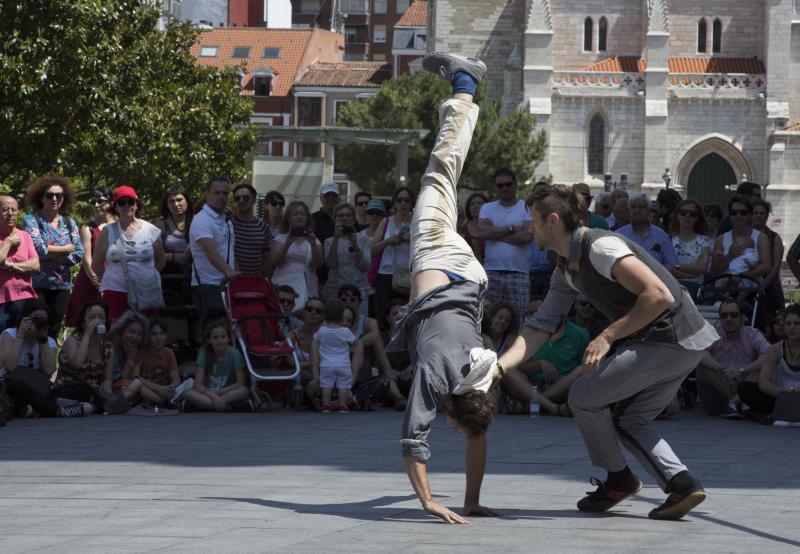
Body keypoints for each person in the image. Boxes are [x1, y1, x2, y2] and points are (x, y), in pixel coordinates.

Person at [495, 182, 718, 520]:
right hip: (684, 342)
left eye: (534, 220)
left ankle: (619, 479)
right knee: (630, 418)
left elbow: (658, 295)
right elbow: (539, 328)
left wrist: (607, 336)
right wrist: (497, 369)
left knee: (584, 395)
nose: (530, 227)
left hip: (669, 338)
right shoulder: (565, 270)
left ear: (553, 220)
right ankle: (683, 484)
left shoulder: (600, 248)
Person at [387, 52, 502, 524]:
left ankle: (462, 88)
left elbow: (477, 431)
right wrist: (428, 501)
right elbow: (413, 440)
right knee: (440, 169)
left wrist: (471, 501)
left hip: (470, 278)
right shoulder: (437, 375)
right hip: (436, 252)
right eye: (454, 425)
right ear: (452, 410)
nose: (453, 430)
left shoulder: (481, 376)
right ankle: (465, 85)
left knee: (445, 178)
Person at [1, 299, 93, 418]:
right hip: (12, 391)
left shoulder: (48, 341)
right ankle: (59, 411)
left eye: (43, 320)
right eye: (36, 319)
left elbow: (49, 371)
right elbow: (9, 366)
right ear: (24, 319)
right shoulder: (10, 335)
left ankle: (32, 409)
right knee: (15, 386)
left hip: (39, 390)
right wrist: (21, 335)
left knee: (83, 388)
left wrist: (43, 339)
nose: (39, 323)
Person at [21, 175, 84, 337]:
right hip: (37, 285)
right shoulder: (32, 220)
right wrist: (66, 248)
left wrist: (55, 254)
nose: (54, 199)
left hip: (62, 286)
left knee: (54, 331)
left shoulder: (70, 223)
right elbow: (37, 249)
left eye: (59, 195)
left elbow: (78, 252)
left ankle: (49, 361)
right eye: (49, 195)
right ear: (41, 198)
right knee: (35, 328)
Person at [92, 186, 166, 322]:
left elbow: (160, 260)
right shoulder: (107, 231)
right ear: (116, 207)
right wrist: (112, 279)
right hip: (115, 292)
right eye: (121, 202)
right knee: (116, 334)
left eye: (130, 202)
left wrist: (146, 276)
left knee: (147, 332)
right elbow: (96, 264)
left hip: (146, 292)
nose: (127, 206)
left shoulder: (151, 230)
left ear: (137, 204)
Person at [695, 300, 770, 418]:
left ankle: (734, 403)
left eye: (733, 315)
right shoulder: (713, 332)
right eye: (724, 316)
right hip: (720, 389)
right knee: (702, 366)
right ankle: (737, 401)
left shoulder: (753, 334)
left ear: (742, 318)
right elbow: (700, 353)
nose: (728, 319)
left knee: (764, 366)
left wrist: (741, 371)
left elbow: (768, 355)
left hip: (744, 384)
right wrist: (722, 369)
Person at [477, 168, 534, 323]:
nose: (504, 188)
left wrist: (494, 234)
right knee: (487, 320)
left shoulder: (526, 207)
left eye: (508, 184)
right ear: (495, 187)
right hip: (491, 272)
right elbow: (482, 232)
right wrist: (512, 229)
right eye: (500, 185)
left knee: (519, 320)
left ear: (515, 184)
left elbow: (527, 235)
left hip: (519, 273)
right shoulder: (487, 208)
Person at [189, 177, 237, 334]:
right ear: (207, 194)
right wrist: (228, 271)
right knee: (213, 334)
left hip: (226, 285)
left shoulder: (226, 220)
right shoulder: (201, 219)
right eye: (217, 193)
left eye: (225, 193)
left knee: (226, 334)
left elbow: (229, 251)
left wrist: (235, 274)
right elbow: (210, 251)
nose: (222, 197)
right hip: (208, 285)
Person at [738, 303, 800, 418]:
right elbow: (764, 384)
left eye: (797, 323)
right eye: (788, 323)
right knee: (745, 389)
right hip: (780, 396)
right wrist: (787, 395)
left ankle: (778, 412)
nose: (792, 327)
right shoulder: (775, 350)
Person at [64, 188, 115, 328]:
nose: (96, 205)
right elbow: (87, 262)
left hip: (114, 281)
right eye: (93, 202)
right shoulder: (87, 228)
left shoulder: (119, 226)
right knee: (85, 326)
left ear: (111, 202)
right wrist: (101, 287)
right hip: (90, 281)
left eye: (101, 201)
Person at [183, 320, 250, 411]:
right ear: (209, 340)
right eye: (215, 338)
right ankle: (227, 407)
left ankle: (208, 406)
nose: (220, 341)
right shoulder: (204, 354)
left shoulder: (235, 354)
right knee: (188, 393)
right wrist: (212, 395)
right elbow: (198, 384)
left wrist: (219, 392)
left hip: (227, 392)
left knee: (244, 391)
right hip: (208, 393)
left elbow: (241, 382)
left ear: (229, 338)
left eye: (223, 337)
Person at [57, 300, 113, 408]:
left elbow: (107, 378)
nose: (97, 321)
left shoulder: (107, 347)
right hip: (69, 390)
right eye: (92, 317)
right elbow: (77, 363)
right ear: (83, 322)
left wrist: (108, 382)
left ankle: (90, 406)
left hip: (92, 392)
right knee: (85, 390)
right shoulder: (73, 341)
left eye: (101, 317)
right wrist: (87, 334)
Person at [371, 187, 414, 322]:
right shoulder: (386, 222)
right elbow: (372, 250)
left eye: (406, 200)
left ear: (412, 203)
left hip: (410, 275)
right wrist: (388, 241)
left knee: (408, 315)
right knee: (384, 316)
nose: (402, 203)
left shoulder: (418, 222)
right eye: (399, 200)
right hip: (386, 275)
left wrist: (412, 239)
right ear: (394, 202)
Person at [271, 201, 322, 309]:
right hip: (284, 286)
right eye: (295, 214)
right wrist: (287, 244)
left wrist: (313, 244)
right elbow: (277, 262)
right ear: (288, 218)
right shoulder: (279, 239)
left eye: (302, 214)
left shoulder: (314, 240)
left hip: (308, 286)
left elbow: (317, 264)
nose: (299, 217)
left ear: (307, 218)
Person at [711, 195, 770, 285]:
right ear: (730, 215)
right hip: (724, 290)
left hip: (751, 291)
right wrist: (730, 255)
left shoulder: (761, 238)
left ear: (750, 214)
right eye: (734, 212)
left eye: (743, 212)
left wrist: (742, 276)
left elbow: (766, 266)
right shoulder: (721, 239)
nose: (738, 216)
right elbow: (715, 270)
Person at [0, 195, 39, 331]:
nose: (10, 214)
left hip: (25, 299)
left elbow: (35, 265)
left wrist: (11, 266)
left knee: (26, 342)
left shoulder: (25, 236)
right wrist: (8, 241)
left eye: (13, 210)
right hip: (2, 301)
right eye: (4, 210)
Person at [321, 204, 371, 308]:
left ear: (353, 218)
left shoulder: (363, 239)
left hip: (359, 290)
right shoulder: (329, 241)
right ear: (335, 219)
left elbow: (365, 265)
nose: (344, 218)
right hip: (335, 290)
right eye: (340, 215)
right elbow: (331, 263)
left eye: (348, 215)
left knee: (359, 322)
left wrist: (355, 244)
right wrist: (336, 238)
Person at [311, 299, 357, 413]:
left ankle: (326, 405)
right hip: (343, 364)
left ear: (324, 315)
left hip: (326, 364)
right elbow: (355, 342)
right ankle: (342, 405)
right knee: (343, 385)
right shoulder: (345, 331)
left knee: (326, 385)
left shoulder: (322, 331)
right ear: (342, 315)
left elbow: (315, 338)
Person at [616, 192, 678, 270]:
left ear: (649, 210)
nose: (637, 210)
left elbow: (671, 264)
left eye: (641, 207)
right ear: (629, 210)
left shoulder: (661, 236)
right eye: (633, 207)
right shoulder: (619, 235)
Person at [154, 185, 193, 306]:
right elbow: (153, 254)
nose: (176, 204)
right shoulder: (161, 224)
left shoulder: (197, 221)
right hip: (170, 278)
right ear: (167, 204)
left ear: (187, 201)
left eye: (179, 200)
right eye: (171, 201)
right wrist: (175, 257)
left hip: (194, 277)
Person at [669, 198, 713, 299]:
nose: (687, 216)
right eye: (683, 212)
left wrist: (676, 265)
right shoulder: (668, 240)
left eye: (692, 214)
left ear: (697, 218)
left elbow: (702, 267)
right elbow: (669, 269)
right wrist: (691, 274)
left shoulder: (703, 240)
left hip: (694, 291)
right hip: (672, 288)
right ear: (677, 215)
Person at [102, 310, 147, 407]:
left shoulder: (136, 349)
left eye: (140, 334)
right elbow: (120, 379)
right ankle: (113, 404)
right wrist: (130, 360)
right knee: (137, 384)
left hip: (122, 388)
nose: (135, 337)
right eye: (132, 332)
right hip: (108, 388)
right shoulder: (112, 345)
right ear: (122, 330)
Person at [751, 199, 785, 320]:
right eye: (755, 213)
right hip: (747, 285)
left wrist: (762, 287)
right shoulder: (743, 235)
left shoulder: (774, 237)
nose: (758, 216)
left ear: (766, 215)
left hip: (769, 286)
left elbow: (775, 267)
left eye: (762, 213)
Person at [134, 318, 179, 407]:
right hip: (149, 389)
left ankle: (161, 401)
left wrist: (169, 388)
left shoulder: (169, 352)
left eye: (161, 333)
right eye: (154, 334)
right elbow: (135, 377)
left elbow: (176, 380)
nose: (158, 337)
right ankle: (161, 402)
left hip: (166, 390)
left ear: (165, 335)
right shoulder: (142, 352)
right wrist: (158, 389)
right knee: (139, 387)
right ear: (148, 336)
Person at [230, 183, 272, 277]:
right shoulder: (228, 223)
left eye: (245, 198)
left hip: (255, 280)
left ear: (254, 200)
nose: (241, 201)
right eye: (237, 198)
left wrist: (266, 278)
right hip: (231, 280)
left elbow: (267, 257)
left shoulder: (263, 227)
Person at [290, 298, 325, 405]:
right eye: (309, 309)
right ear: (303, 312)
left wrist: (305, 366)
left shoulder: (325, 336)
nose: (313, 312)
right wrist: (311, 365)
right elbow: (289, 362)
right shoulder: (292, 335)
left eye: (318, 311)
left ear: (322, 316)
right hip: (299, 377)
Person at [313, 181, 341, 287]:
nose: (330, 198)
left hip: (342, 274)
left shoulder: (347, 218)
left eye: (333, 195)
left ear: (338, 198)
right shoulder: (312, 219)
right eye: (327, 195)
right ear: (321, 198)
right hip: (320, 275)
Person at [458, 192, 488, 264]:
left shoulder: (493, 226)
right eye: (472, 204)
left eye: (479, 203)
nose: (476, 206)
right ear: (468, 209)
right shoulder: (462, 230)